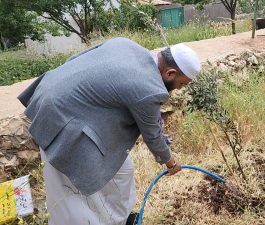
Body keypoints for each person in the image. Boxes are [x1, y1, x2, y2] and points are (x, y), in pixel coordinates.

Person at [17, 37, 201, 225]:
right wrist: (170, 162)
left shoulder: (127, 45)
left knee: (122, 170)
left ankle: (117, 219)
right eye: (181, 84)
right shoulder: (150, 88)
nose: (178, 89)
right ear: (170, 73)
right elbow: (152, 136)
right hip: (61, 120)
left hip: (61, 100)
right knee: (68, 191)